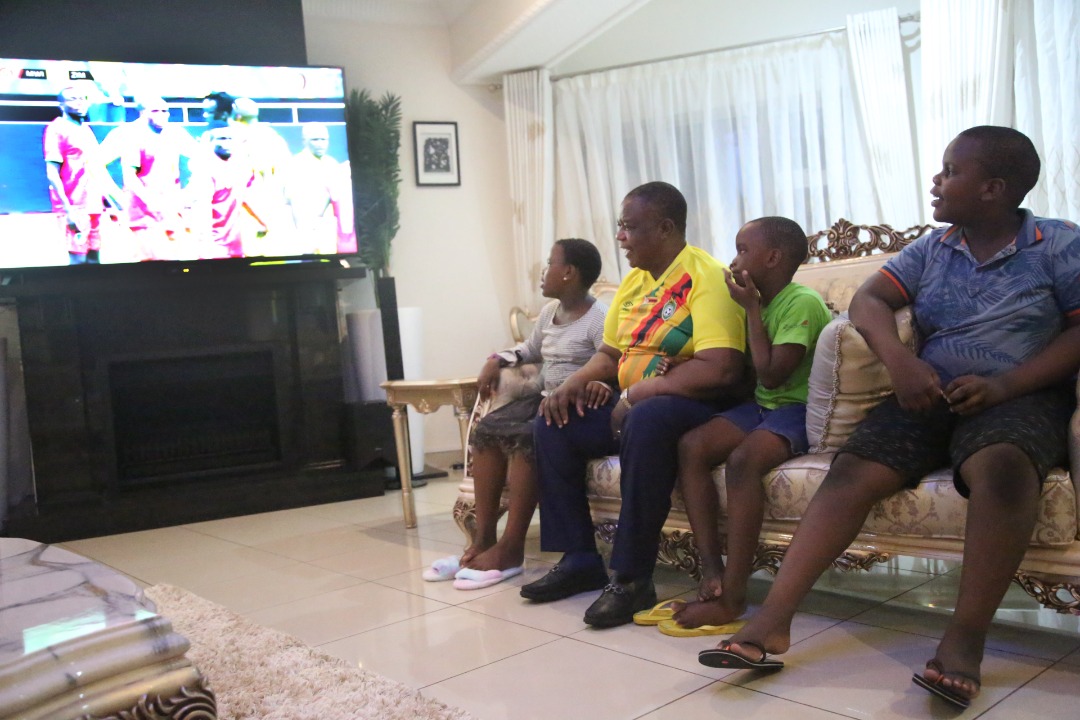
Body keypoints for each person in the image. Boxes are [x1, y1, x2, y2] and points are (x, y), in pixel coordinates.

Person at [705, 126, 1080, 710]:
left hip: (1020, 395)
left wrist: (1006, 384)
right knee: (852, 469)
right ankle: (771, 624)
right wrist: (901, 362)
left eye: (950, 171)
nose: (937, 181)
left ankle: (963, 640)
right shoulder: (932, 248)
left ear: (993, 188)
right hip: (927, 391)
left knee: (1003, 468)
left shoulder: (1058, 244)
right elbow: (868, 300)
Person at [519, 181, 748, 628]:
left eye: (629, 227)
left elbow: (721, 368)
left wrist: (636, 393)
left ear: (665, 228)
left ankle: (631, 577)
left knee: (646, 419)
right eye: (620, 226)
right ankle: (580, 558)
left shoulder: (705, 277)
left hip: (695, 404)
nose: (620, 237)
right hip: (634, 403)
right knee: (553, 422)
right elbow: (609, 355)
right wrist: (573, 384)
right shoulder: (634, 282)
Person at [665, 216, 831, 632]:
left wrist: (752, 310)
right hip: (761, 406)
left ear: (773, 258)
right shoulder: (752, 303)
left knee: (742, 462)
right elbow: (747, 375)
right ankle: (711, 571)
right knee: (691, 447)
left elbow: (773, 375)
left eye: (743, 250)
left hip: (798, 409)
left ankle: (734, 596)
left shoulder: (801, 302)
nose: (734, 261)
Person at [425, 238, 609, 590]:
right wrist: (496, 360)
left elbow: (610, 361)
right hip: (542, 396)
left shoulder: (599, 318)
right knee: (486, 431)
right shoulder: (549, 313)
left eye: (551, 263)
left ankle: (511, 549)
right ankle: (483, 540)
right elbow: (530, 349)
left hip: (573, 404)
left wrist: (595, 384)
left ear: (569, 272)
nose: (543, 271)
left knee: (528, 437)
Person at [106, 95, 201, 261]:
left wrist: (186, 195)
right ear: (143, 113)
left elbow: (200, 157)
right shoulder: (132, 135)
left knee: (176, 259)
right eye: (156, 111)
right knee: (152, 260)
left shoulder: (175, 133)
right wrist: (119, 197)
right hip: (143, 214)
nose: (162, 115)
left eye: (165, 111)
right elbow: (128, 176)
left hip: (171, 210)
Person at [42, 84, 123, 264]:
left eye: (82, 99)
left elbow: (95, 170)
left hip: (94, 206)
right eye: (73, 99)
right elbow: (52, 173)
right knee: (78, 261)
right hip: (75, 207)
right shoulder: (56, 129)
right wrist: (68, 210)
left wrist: (109, 204)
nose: (79, 103)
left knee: (94, 259)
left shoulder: (85, 129)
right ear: (61, 105)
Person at [286, 123, 356, 255]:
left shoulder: (331, 163)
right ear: (304, 141)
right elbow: (294, 204)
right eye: (315, 139)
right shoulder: (296, 164)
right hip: (304, 229)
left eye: (323, 139)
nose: (320, 144)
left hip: (327, 232)